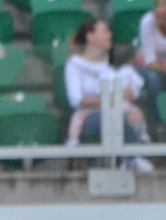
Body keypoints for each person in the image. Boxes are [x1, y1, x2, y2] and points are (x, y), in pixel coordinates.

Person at [64, 19, 154, 169]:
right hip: (88, 115)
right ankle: (131, 159)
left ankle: (129, 161)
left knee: (133, 115)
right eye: (105, 31)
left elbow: (128, 86)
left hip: (117, 108)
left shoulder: (111, 62)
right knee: (116, 117)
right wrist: (109, 98)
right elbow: (76, 100)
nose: (110, 35)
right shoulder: (74, 65)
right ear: (90, 37)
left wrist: (124, 93)